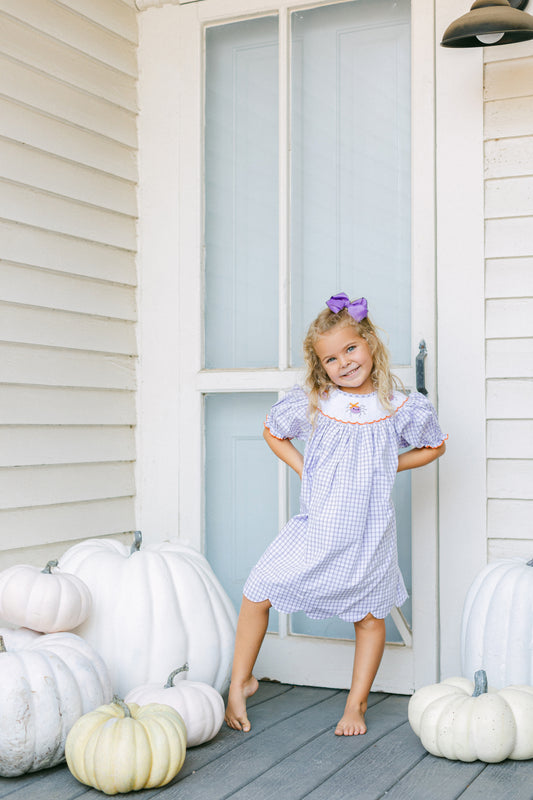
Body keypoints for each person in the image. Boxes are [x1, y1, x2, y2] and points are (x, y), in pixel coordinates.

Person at [224, 292, 447, 736]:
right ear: (320, 366)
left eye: (350, 349)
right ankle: (240, 680)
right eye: (330, 358)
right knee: (259, 589)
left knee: (369, 616)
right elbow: (272, 431)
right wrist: (305, 467)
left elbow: (435, 445)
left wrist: (390, 464)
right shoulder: (317, 402)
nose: (343, 362)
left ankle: (356, 705)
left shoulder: (397, 407)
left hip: (368, 532)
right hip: (317, 525)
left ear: (370, 345)